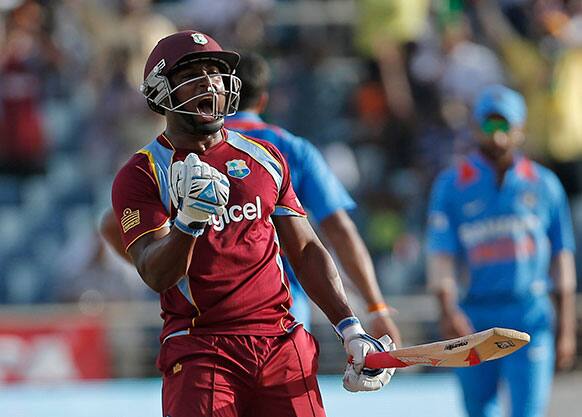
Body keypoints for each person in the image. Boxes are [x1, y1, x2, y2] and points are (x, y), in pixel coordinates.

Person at [110, 30, 395, 417]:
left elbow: (306, 248)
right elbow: (154, 272)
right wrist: (188, 223)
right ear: (161, 90)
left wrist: (349, 327)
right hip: (200, 345)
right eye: (192, 73)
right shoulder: (142, 173)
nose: (209, 81)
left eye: (214, 70)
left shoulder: (265, 155)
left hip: (280, 340)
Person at [224, 52, 400, 343]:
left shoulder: (192, 149)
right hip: (281, 305)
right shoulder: (292, 148)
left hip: (209, 309)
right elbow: (340, 230)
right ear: (264, 100)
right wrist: (375, 306)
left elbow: (122, 225)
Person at [426, 85, 577, 417]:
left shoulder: (544, 184)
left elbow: (562, 257)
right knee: (479, 411)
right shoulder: (452, 185)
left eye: (504, 125)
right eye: (489, 126)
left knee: (527, 412)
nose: (497, 136)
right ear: (476, 128)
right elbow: (441, 256)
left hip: (530, 314)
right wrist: (447, 308)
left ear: (520, 128)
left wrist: (566, 326)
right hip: (475, 316)